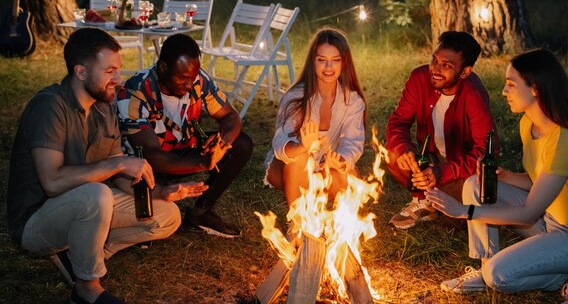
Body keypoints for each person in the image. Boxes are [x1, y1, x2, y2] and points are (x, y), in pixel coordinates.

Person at [6, 28, 207, 304]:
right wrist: (118, 164)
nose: (118, 79)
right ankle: (87, 289)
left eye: (119, 70)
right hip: (37, 220)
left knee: (167, 215)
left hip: (85, 204)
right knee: (96, 195)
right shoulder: (50, 106)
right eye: (109, 71)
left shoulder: (105, 107)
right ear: (81, 71)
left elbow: (117, 173)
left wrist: (161, 193)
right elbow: (52, 182)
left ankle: (82, 256)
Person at [426, 49, 568, 304]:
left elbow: (528, 213)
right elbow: (538, 180)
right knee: (475, 185)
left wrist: (463, 211)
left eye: (511, 84)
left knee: (500, 276)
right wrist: (505, 177)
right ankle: (484, 266)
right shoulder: (528, 125)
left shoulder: (564, 140)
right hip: (548, 220)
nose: (504, 91)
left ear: (535, 89)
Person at [117, 34, 253, 238]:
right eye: (182, 78)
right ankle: (150, 207)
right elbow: (152, 155)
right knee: (152, 207)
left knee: (241, 144)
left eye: (193, 78)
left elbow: (230, 116)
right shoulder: (135, 92)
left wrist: (220, 145)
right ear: (163, 67)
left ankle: (202, 212)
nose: (189, 85)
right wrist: (202, 163)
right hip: (151, 165)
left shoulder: (197, 79)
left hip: (183, 150)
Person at [386, 31, 498, 229]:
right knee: (393, 155)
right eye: (434, 61)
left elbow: (487, 152)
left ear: (464, 72)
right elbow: (398, 122)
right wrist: (403, 149)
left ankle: (446, 201)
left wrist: (442, 172)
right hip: (430, 158)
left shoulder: (473, 94)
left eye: (446, 66)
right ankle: (423, 202)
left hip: (461, 170)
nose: (435, 70)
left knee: (464, 210)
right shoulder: (419, 79)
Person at [265, 28, 366, 209]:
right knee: (300, 158)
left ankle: (328, 215)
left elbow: (353, 143)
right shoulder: (296, 98)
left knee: (350, 175)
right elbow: (280, 142)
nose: (329, 67)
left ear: (344, 63)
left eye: (335, 60)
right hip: (289, 169)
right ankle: (297, 223)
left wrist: (339, 161)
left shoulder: (352, 101)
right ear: (313, 62)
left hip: (323, 171)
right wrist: (302, 146)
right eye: (322, 60)